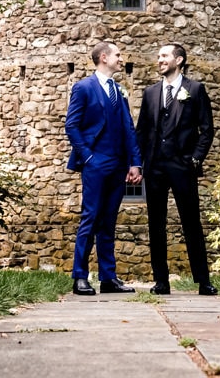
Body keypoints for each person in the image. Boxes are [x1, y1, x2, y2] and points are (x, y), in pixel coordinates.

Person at [135, 42, 217, 295]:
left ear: (179, 60)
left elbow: (207, 129)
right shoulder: (150, 93)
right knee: (156, 224)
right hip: (156, 167)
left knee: (191, 222)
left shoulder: (195, 89)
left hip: (183, 166)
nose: (159, 60)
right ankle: (161, 281)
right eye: (158, 56)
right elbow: (142, 131)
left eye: (164, 56)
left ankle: (204, 281)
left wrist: (195, 159)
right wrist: (140, 163)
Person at [64, 40, 142, 295]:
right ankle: (80, 277)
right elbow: (72, 125)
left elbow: (129, 129)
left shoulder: (119, 91)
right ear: (104, 57)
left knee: (109, 221)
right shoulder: (83, 87)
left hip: (119, 165)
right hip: (95, 163)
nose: (122, 59)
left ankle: (109, 279)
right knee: (91, 217)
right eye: (118, 55)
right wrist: (87, 157)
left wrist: (134, 163)